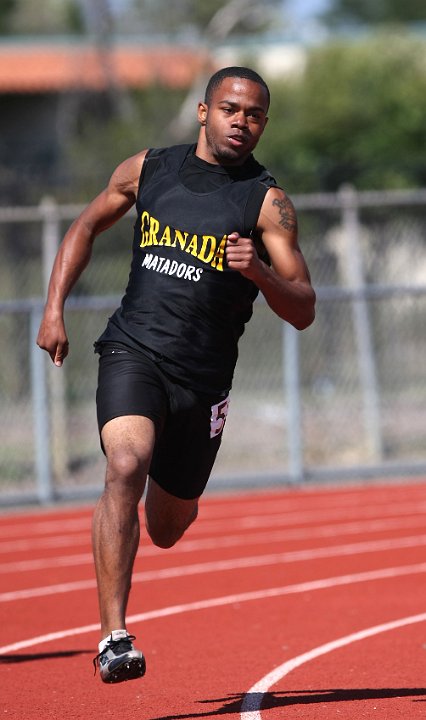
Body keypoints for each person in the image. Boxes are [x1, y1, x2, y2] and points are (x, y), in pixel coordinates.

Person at [37, 66, 316, 684]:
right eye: (231, 109)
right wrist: (53, 308)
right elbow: (85, 225)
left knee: (167, 527)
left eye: (255, 114)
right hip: (134, 350)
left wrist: (259, 273)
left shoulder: (267, 203)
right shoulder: (150, 169)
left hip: (204, 380)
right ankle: (113, 635)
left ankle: (167, 504)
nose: (242, 122)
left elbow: (303, 309)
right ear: (203, 111)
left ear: (264, 123)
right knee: (125, 463)